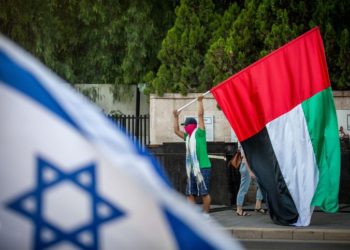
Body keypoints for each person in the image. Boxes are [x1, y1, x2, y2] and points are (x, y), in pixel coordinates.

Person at [173, 96, 211, 216]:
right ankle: (194, 216)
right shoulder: (187, 137)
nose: (184, 127)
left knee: (204, 193)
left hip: (203, 167)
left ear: (192, 125)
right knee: (190, 193)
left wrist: (200, 102)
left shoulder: (200, 133)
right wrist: (175, 117)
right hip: (192, 170)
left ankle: (205, 215)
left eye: (186, 125)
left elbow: (200, 115)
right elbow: (175, 130)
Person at [235, 142, 266, 216]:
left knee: (261, 184)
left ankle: (258, 206)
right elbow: (245, 158)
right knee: (243, 189)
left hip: (253, 166)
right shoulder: (243, 141)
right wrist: (250, 172)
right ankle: (239, 209)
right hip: (246, 167)